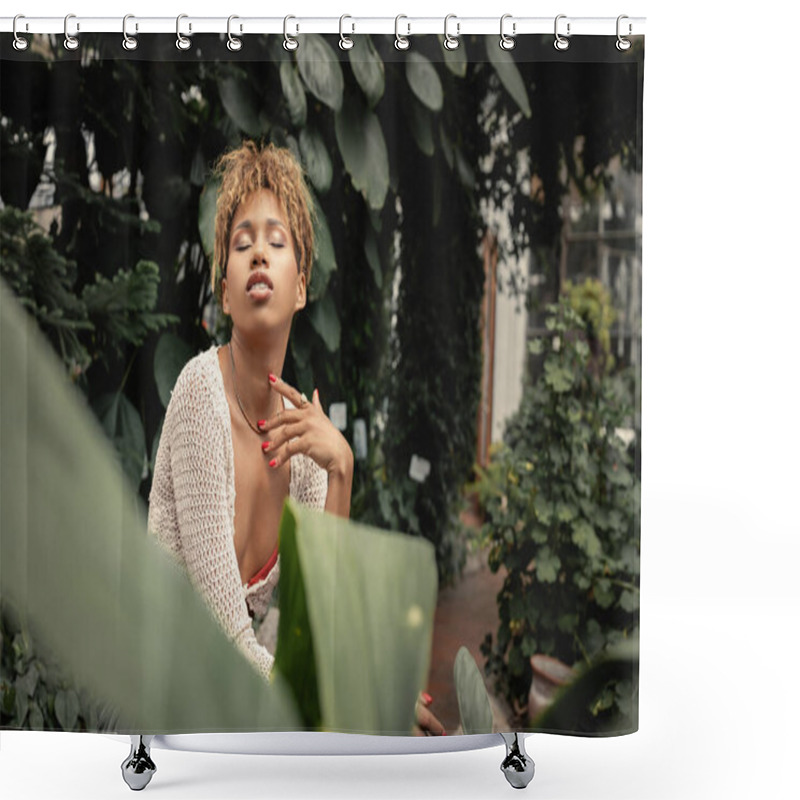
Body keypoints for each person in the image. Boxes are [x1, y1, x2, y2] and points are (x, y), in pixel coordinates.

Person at [148, 140, 444, 735]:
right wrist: (354, 699)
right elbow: (226, 641)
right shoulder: (199, 394)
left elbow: (322, 616)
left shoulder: (302, 439)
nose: (259, 251)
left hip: (229, 700)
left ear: (301, 286)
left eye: (276, 241)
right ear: (227, 292)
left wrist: (341, 469)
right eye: (242, 243)